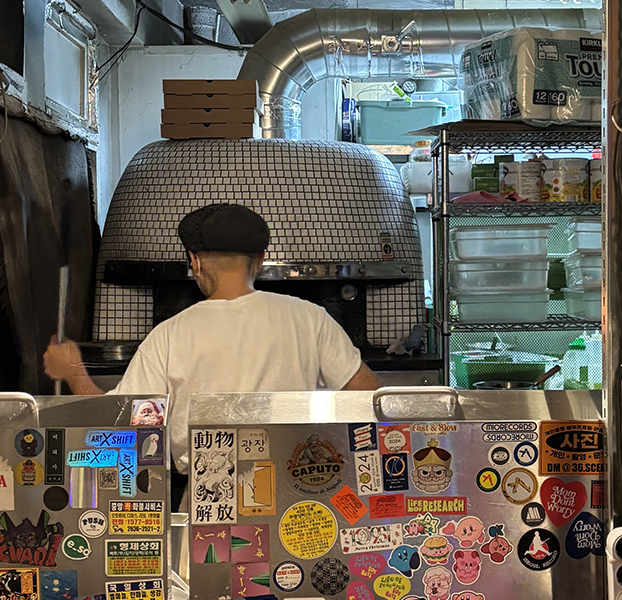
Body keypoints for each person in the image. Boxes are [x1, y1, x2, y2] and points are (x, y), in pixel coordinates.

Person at [43, 203, 379, 489]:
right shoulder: (310, 318)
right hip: (299, 488)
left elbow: (124, 428)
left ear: (196, 261)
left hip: (208, 501)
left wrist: (74, 372)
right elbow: (368, 396)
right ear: (260, 259)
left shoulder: (170, 335)